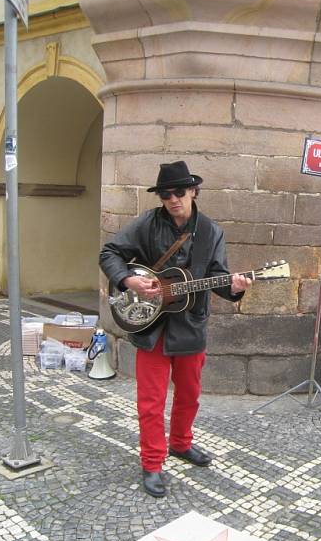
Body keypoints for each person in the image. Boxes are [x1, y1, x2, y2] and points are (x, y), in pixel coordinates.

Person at [99, 160, 252, 498]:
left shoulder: (210, 232)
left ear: (194, 191)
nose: (172, 199)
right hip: (151, 327)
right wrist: (129, 279)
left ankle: (181, 444)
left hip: (190, 325)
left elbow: (219, 277)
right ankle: (152, 463)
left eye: (179, 192)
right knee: (150, 402)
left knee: (189, 396)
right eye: (165, 194)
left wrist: (236, 286)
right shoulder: (148, 224)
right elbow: (110, 252)